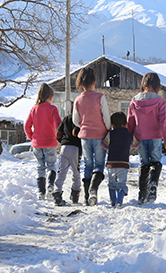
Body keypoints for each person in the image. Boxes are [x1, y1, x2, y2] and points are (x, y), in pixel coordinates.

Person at [127, 72, 166, 204]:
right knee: (156, 162)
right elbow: (163, 121)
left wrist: (130, 137)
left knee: (144, 163)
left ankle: (142, 194)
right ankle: (153, 185)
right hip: (155, 137)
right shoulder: (159, 101)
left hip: (140, 137)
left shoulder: (134, 100)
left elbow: (130, 121)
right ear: (157, 85)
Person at [72, 67, 112, 206]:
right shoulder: (100, 97)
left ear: (81, 83)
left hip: (84, 136)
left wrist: (83, 125)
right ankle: (94, 190)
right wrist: (108, 129)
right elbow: (106, 117)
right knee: (99, 164)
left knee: (88, 165)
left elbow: (75, 120)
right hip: (100, 136)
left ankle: (87, 197)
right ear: (94, 82)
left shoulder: (77, 100)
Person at [24, 83, 62, 200]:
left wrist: (32, 138)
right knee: (51, 165)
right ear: (51, 97)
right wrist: (59, 136)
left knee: (40, 167)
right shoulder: (53, 109)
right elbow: (59, 125)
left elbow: (26, 126)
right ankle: (50, 184)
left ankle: (41, 192)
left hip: (37, 143)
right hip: (50, 142)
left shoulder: (34, 109)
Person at [102, 112, 139, 208]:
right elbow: (136, 144)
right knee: (121, 183)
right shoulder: (129, 135)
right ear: (126, 124)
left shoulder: (111, 134)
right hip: (123, 164)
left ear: (112, 124)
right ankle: (119, 200)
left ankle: (113, 201)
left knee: (112, 184)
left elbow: (104, 145)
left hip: (111, 164)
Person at [52, 108, 82, 206]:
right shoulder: (80, 120)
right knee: (76, 172)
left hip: (64, 147)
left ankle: (57, 192)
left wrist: (63, 142)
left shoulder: (66, 118)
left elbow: (58, 133)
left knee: (62, 171)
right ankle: (75, 194)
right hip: (75, 148)